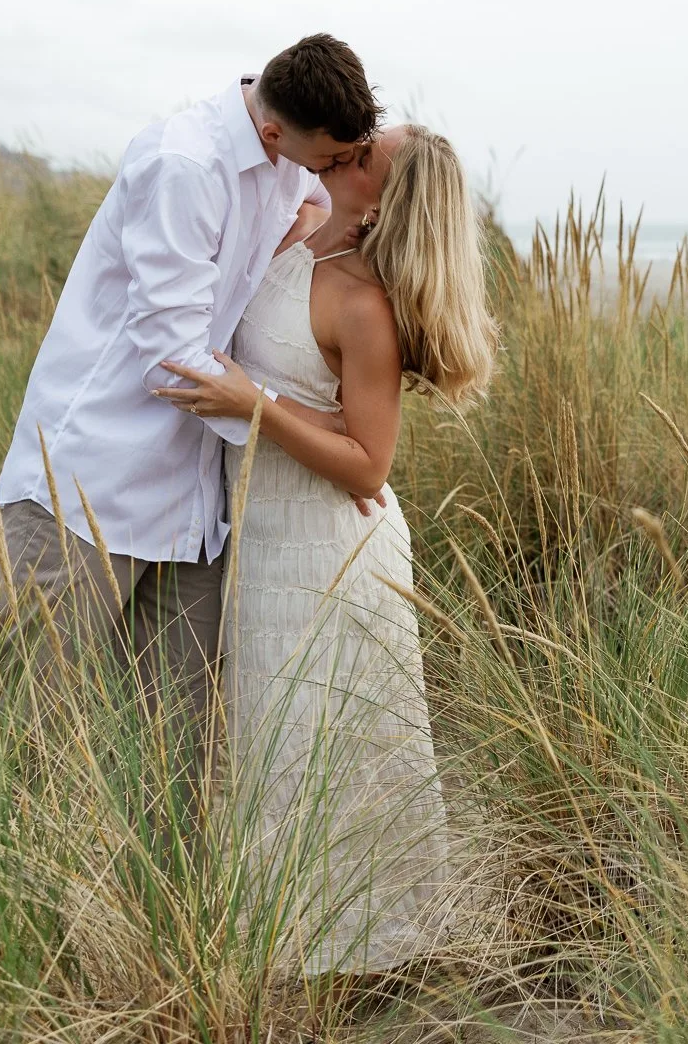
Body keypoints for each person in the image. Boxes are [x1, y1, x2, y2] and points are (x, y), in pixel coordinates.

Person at [0, 33, 380, 817]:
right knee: (31, 745)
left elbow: (298, 214)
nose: (334, 175)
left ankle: (154, 901)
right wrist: (312, 446)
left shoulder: (290, 161)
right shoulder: (184, 164)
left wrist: (315, 220)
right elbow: (173, 360)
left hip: (193, 511)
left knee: (177, 765)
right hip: (86, 491)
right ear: (275, 130)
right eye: (330, 160)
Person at [153, 124, 497, 974]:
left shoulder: (364, 306)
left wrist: (255, 404)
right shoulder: (298, 228)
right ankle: (283, 951)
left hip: (331, 550)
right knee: (272, 745)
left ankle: (369, 963)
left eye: (373, 149)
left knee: (331, 749)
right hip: (263, 536)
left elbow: (368, 463)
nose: (357, 142)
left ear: (385, 197)